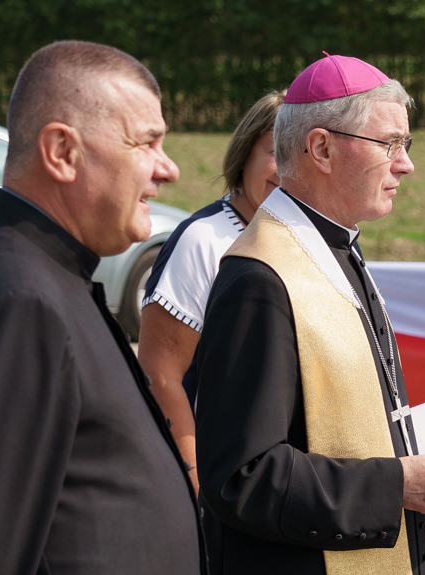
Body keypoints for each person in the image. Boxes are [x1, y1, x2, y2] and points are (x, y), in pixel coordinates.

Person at [194, 53, 425, 575]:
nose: (406, 164)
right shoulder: (260, 279)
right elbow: (241, 476)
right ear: (322, 148)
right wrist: (397, 485)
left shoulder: (336, 248)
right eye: (390, 144)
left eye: (406, 144)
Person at [0, 41, 204, 574]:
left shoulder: (45, 276)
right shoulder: (18, 303)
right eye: (147, 143)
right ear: (62, 152)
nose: (168, 169)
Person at [139, 89, 285, 494]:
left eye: (301, 155)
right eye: (276, 151)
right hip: (222, 488)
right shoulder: (204, 239)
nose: (287, 170)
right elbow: (160, 375)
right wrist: (196, 487)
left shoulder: (311, 238)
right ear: (245, 153)